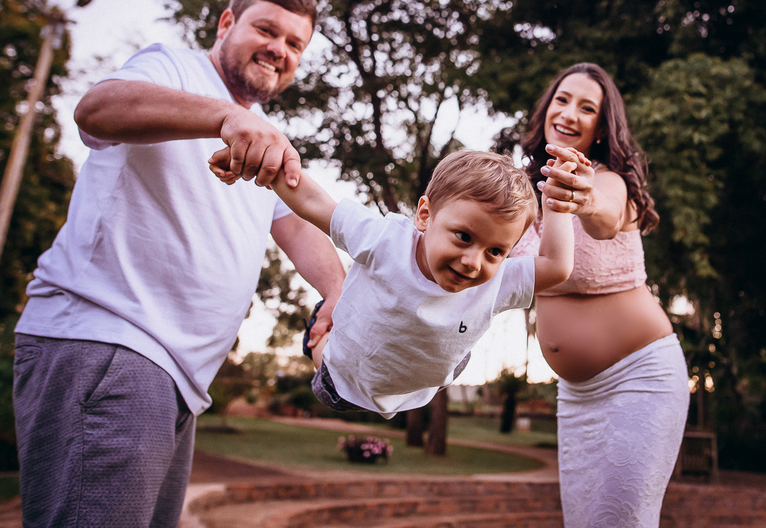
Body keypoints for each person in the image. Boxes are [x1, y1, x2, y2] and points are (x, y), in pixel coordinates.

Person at [12, 0, 347, 528]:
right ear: (226, 24)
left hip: (178, 378)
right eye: (267, 29)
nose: (279, 50)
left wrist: (338, 289)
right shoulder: (173, 67)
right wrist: (225, 117)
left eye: (295, 45)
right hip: (111, 341)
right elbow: (97, 108)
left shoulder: (262, 133)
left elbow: (296, 223)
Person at [210, 147, 578, 417]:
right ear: (424, 214)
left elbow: (556, 266)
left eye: (496, 251)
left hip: (421, 385)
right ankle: (321, 334)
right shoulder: (385, 240)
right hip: (345, 383)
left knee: (461, 346)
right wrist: (267, 163)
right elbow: (313, 202)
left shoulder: (496, 281)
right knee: (324, 346)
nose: (473, 261)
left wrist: (558, 206)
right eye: (463, 237)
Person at [511, 62, 689, 528]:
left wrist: (582, 196)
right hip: (576, 395)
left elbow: (604, 215)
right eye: (562, 100)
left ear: (601, 127)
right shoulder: (521, 196)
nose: (570, 113)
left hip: (641, 379)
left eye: (587, 108)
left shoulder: (612, 183)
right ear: (546, 111)